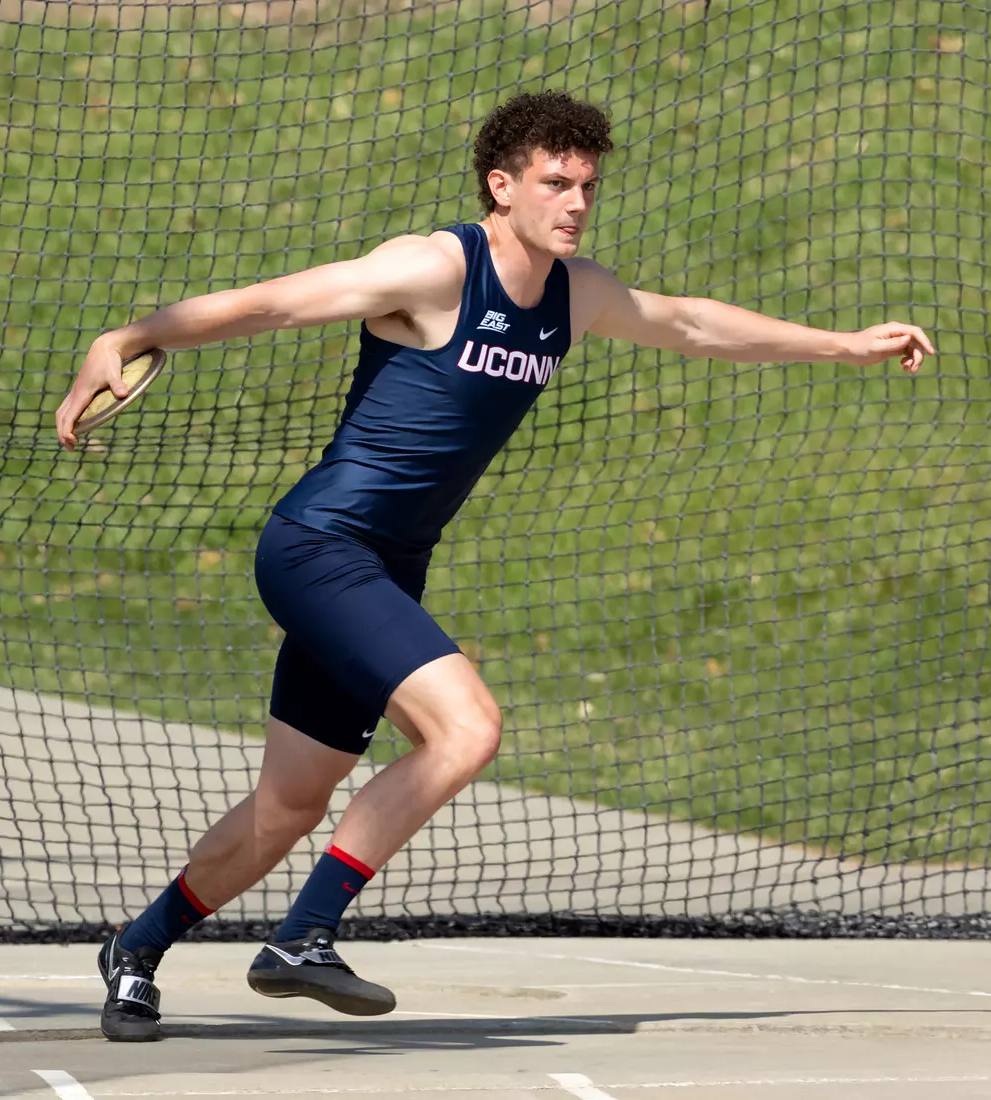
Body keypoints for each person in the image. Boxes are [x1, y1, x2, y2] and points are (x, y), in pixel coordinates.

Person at [53, 90, 934, 1042]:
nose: (578, 203)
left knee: (289, 806)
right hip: (321, 548)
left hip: (388, 569)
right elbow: (277, 302)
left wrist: (844, 345)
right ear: (501, 185)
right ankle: (305, 937)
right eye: (557, 183)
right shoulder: (434, 268)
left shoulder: (574, 290)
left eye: (589, 186)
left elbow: (689, 323)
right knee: (468, 729)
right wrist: (134, 335)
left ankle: (135, 952)